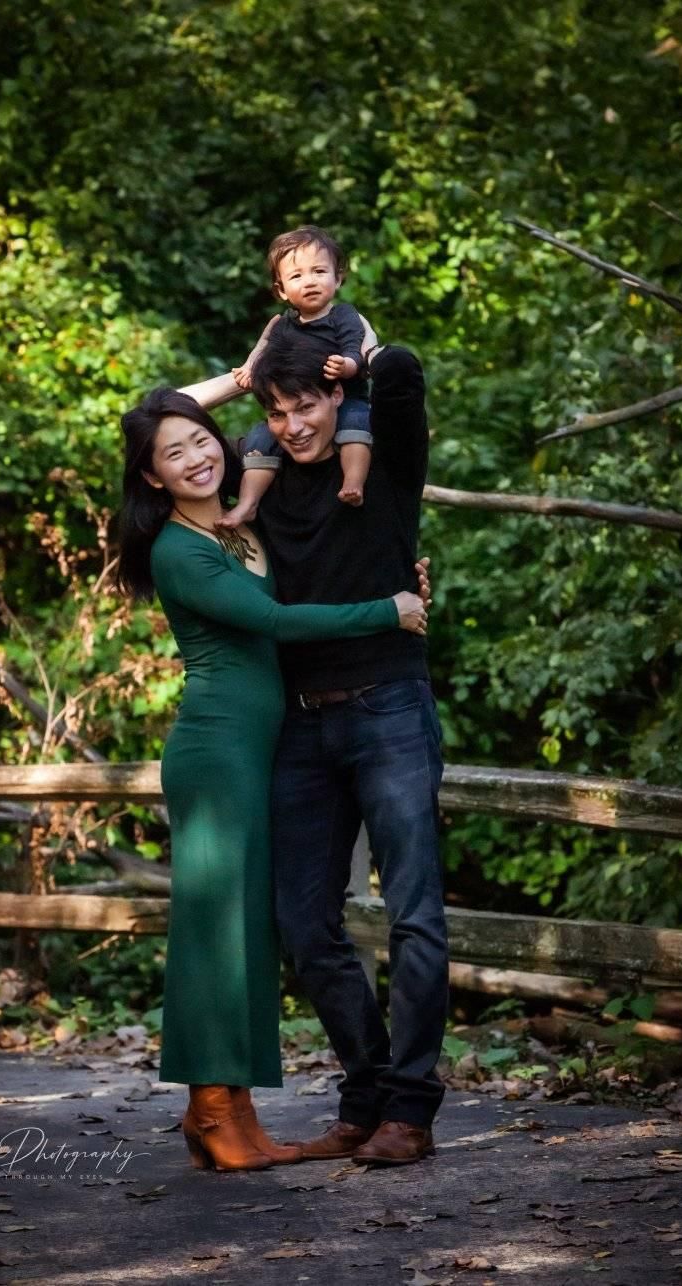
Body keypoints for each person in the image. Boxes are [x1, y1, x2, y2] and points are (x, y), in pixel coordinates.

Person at [115, 385, 430, 1173]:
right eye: (172, 453)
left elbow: (322, 566)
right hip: (218, 750)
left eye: (200, 441)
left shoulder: (239, 525)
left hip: (270, 746)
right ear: (151, 477)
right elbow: (282, 623)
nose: (195, 457)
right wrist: (387, 609)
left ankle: (232, 1112)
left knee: (251, 930)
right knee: (213, 935)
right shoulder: (180, 551)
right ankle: (211, 1110)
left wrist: (253, 374)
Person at [193, 324, 447, 1167]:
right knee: (303, 923)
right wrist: (243, 380)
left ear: (338, 395)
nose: (296, 424)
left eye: (308, 404)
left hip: (391, 709)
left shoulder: (381, 463)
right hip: (299, 721)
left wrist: (356, 345)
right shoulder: (256, 475)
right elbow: (156, 425)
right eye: (279, 410)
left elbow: (405, 374)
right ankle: (365, 1094)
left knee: (413, 914)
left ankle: (410, 1110)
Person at [220, 225, 373, 528]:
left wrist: (347, 366)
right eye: (297, 276)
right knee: (259, 439)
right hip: (294, 401)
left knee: (357, 423)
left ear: (338, 277)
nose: (310, 282)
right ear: (281, 290)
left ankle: (353, 481)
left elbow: (355, 349)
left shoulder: (343, 316)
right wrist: (250, 367)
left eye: (319, 271)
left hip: (346, 397)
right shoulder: (283, 325)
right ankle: (248, 504)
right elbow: (263, 349)